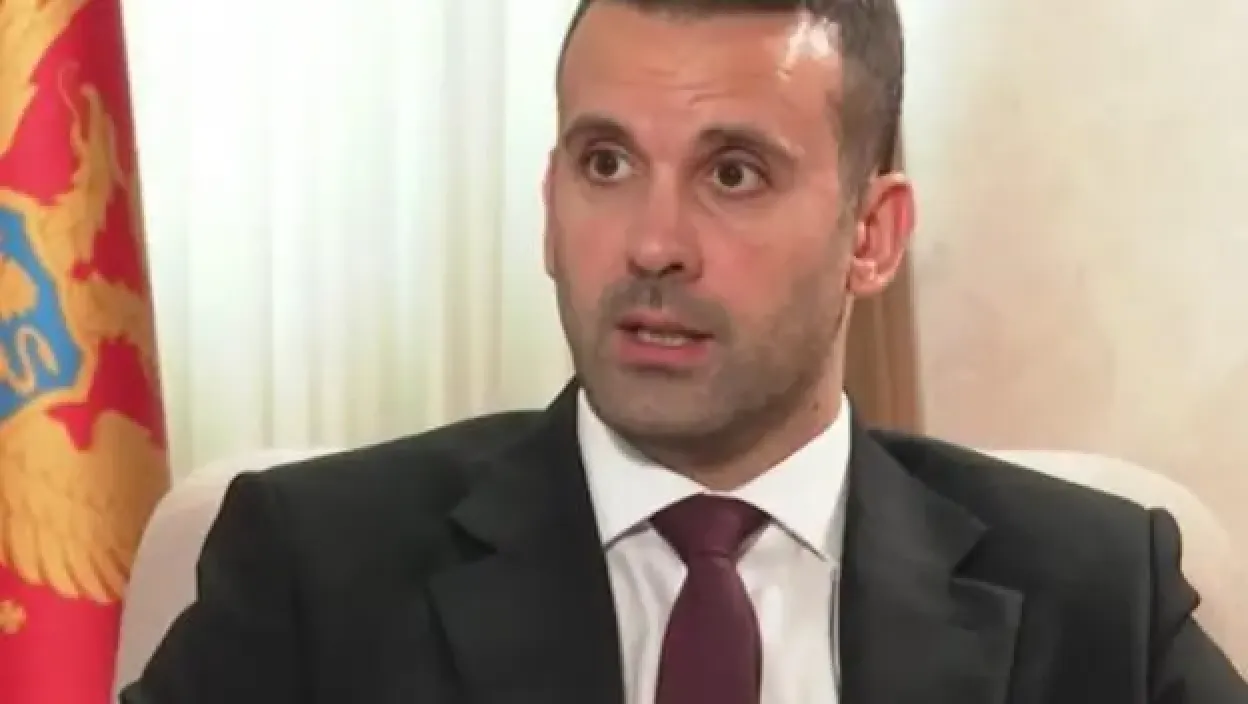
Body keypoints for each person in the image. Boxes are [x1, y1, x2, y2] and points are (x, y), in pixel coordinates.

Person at [121, 1, 1248, 702]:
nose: (652, 243)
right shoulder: (314, 571)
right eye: (606, 163)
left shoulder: (1095, 592)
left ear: (871, 234)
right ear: (549, 204)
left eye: (733, 173)